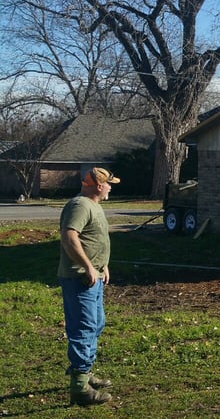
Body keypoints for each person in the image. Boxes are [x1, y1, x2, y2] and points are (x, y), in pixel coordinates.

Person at [58, 167, 120, 406]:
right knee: (84, 327)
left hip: (92, 278)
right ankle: (79, 387)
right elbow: (69, 237)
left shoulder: (94, 205)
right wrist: (88, 266)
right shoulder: (80, 206)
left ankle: (84, 371)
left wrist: (102, 266)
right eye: (109, 184)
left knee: (96, 323)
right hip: (79, 279)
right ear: (97, 185)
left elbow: (93, 240)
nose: (111, 187)